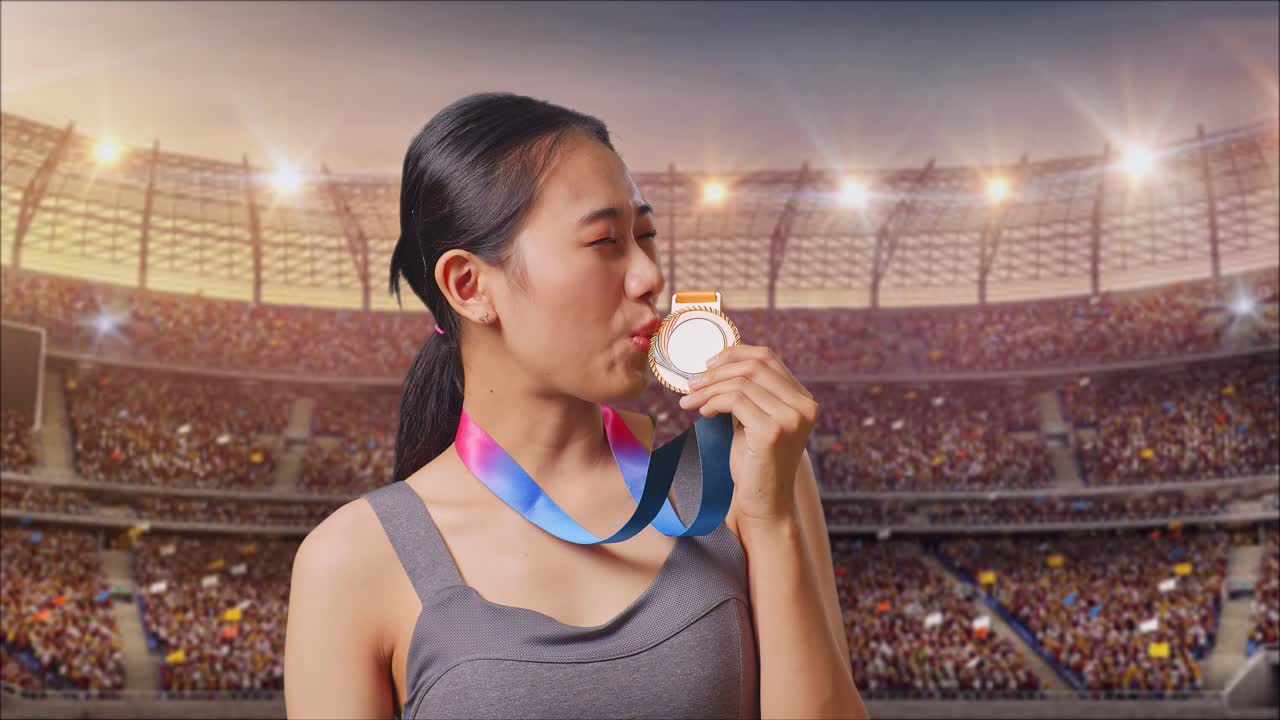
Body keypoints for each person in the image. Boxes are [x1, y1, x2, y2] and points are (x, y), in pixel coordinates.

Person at [283, 91, 865, 719]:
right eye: (605, 242)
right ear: (469, 285)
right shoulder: (351, 560)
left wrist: (771, 522)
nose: (649, 276)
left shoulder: (749, 475)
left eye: (645, 236)